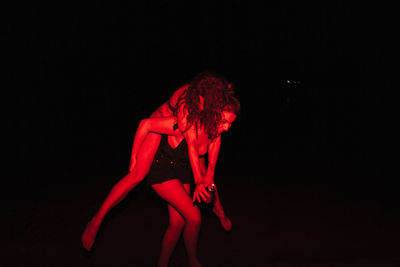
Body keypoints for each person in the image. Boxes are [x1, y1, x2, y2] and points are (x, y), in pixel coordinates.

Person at [81, 73, 238, 262]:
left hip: (178, 143)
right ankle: (96, 222)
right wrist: (134, 155)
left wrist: (218, 207)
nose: (225, 127)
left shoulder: (212, 114)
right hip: (161, 124)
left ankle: (169, 260)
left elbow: (207, 167)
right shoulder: (187, 108)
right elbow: (168, 133)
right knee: (137, 175)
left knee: (179, 220)